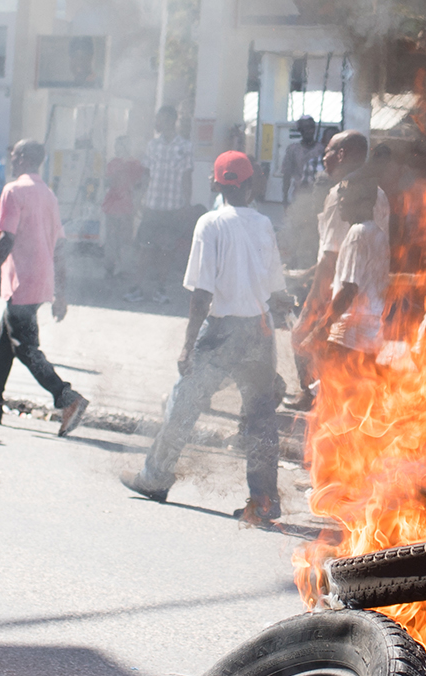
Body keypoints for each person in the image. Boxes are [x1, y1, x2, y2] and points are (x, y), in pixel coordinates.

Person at [121, 151, 290, 526]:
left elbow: (201, 293)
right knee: (261, 418)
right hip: (259, 331)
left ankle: (155, 478)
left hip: (221, 331)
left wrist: (187, 344)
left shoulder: (209, 223)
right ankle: (263, 501)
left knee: (184, 404)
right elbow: (276, 291)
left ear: (216, 184)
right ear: (250, 185)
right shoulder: (263, 224)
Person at [0, 139, 88, 433]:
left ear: (21, 158)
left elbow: (6, 241)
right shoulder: (48, 195)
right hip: (41, 281)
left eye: (14, 155)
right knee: (4, 344)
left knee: (26, 348)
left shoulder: (14, 191)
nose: (12, 159)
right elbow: (60, 247)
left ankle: (66, 396)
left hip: (22, 283)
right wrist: (61, 293)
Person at [291, 130, 388, 408]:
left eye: (328, 152)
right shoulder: (379, 195)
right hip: (370, 315)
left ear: (341, 155)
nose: (324, 158)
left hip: (344, 313)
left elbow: (334, 260)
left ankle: (308, 395)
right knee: (353, 396)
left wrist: (313, 312)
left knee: (302, 339)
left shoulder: (341, 195)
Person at [322, 170, 390, 374]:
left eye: (345, 195)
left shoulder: (357, 233)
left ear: (364, 200)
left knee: (334, 397)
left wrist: (322, 328)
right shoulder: (378, 233)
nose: (340, 201)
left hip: (348, 336)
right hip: (369, 336)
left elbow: (349, 290)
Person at [137, 105, 193, 303]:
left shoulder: (185, 146)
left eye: (160, 118)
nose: (157, 122)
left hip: (173, 206)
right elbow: (146, 174)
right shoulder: (152, 145)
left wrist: (186, 205)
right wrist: (140, 200)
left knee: (166, 249)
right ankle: (139, 287)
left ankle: (161, 289)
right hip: (152, 205)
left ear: (170, 120)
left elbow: (187, 176)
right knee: (145, 247)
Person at [102, 136, 146, 283]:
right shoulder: (114, 163)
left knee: (123, 239)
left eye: (120, 145)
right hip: (114, 205)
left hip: (125, 205)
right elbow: (107, 181)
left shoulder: (134, 164)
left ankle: (122, 269)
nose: (117, 148)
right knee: (115, 239)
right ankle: (112, 268)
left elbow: (140, 185)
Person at [278, 116, 318, 204]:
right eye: (305, 128)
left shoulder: (322, 149)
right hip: (298, 195)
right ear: (300, 130)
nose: (309, 131)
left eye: (311, 127)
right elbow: (287, 175)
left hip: (318, 196)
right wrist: (285, 197)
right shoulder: (293, 149)